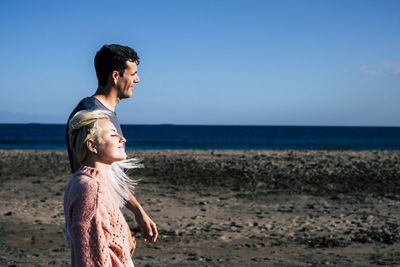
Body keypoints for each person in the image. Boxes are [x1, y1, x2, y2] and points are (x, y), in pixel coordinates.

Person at [65, 44, 157, 243]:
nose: (137, 79)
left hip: (108, 221)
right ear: (115, 76)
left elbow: (112, 177)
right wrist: (119, 231)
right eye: (133, 74)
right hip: (95, 224)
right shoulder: (91, 115)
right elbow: (93, 181)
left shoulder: (106, 114)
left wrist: (137, 212)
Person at [64, 110, 138, 266]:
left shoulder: (81, 182)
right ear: (92, 145)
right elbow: (91, 259)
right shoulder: (91, 189)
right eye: (112, 135)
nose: (122, 139)